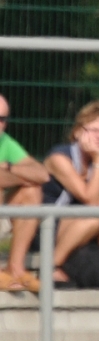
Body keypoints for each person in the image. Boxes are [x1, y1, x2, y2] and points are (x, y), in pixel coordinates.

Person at [38, 101, 99, 283]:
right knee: (93, 219)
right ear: (78, 132)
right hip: (49, 224)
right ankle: (51, 267)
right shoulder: (59, 158)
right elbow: (90, 199)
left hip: (84, 223)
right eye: (94, 130)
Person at [0, 94, 50, 293]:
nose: (0, 124)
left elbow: (42, 174)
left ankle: (16, 268)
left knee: (32, 191)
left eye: (3, 119)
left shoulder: (5, 142)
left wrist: (10, 168)